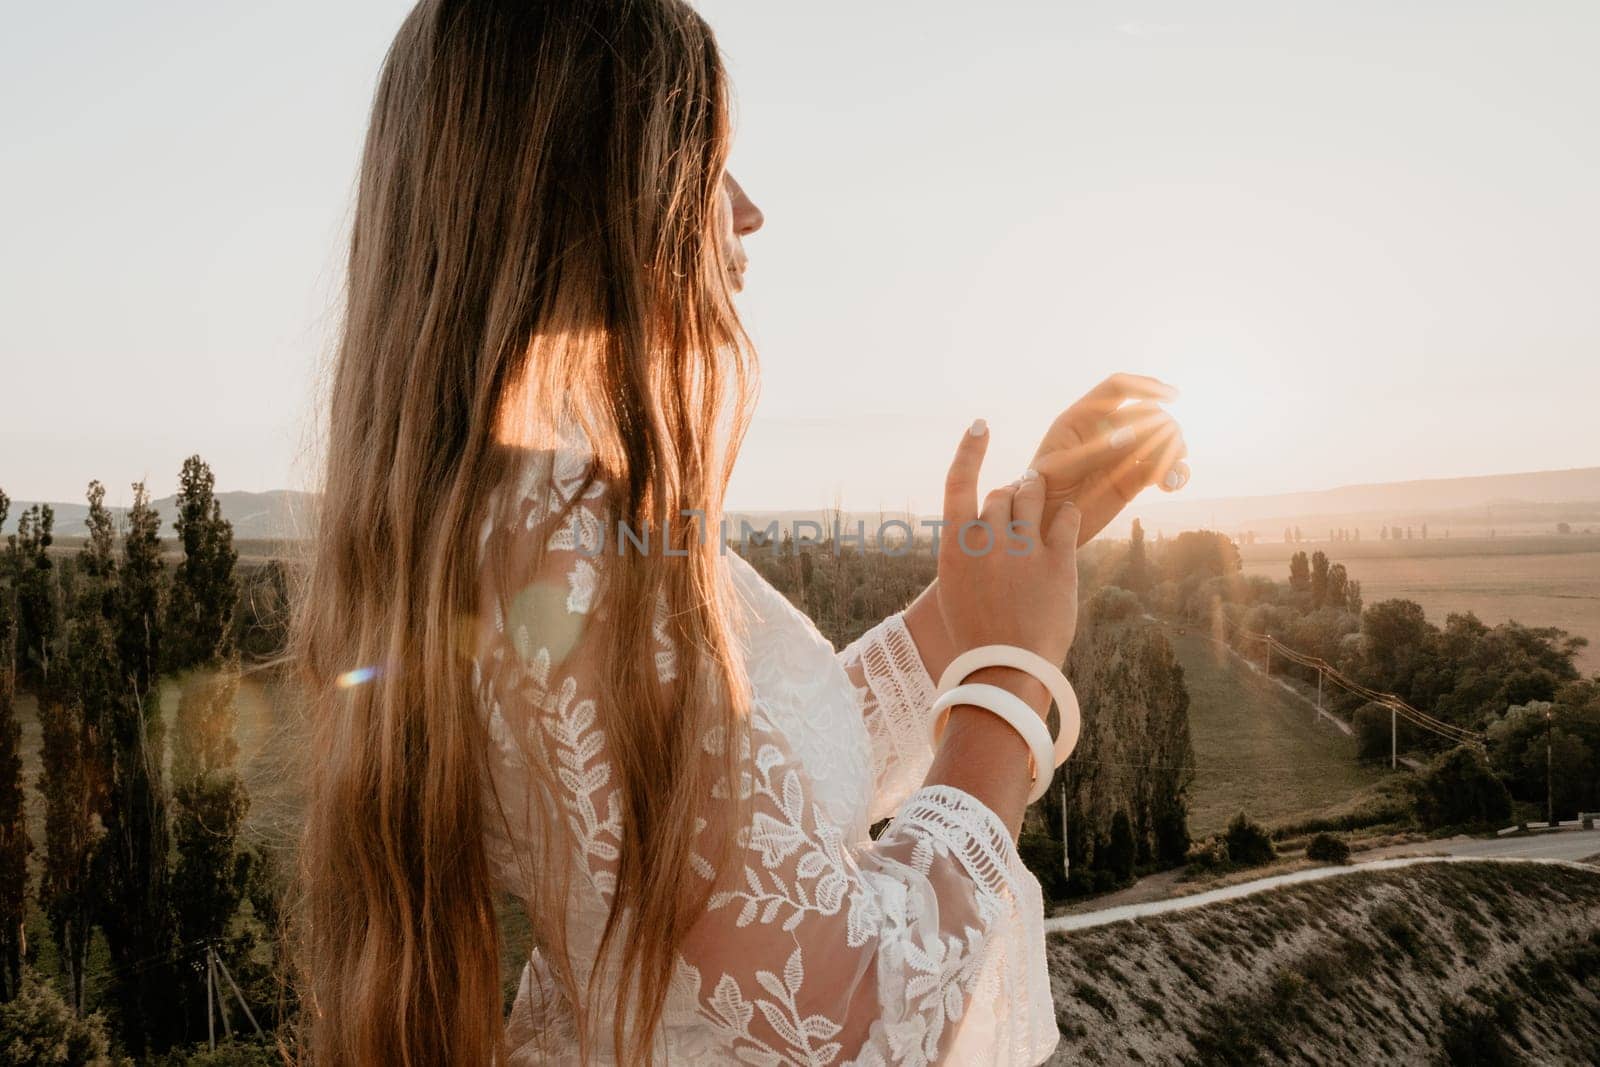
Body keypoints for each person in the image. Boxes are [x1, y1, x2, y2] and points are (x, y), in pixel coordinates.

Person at [292, 1, 1188, 1064]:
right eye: (708, 162)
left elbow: (750, 807)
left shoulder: (498, 518)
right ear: (599, 187)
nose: (748, 210)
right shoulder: (572, 545)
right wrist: (1007, 681)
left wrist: (990, 580)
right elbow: (859, 1013)